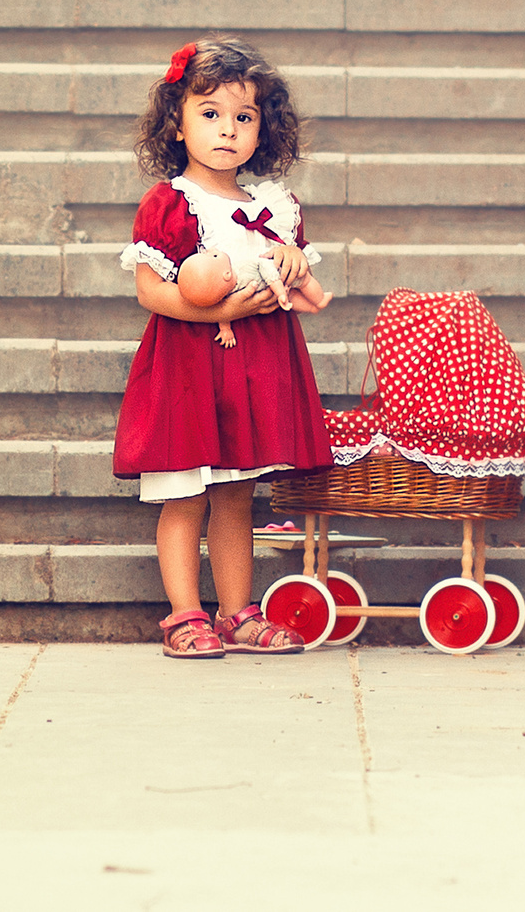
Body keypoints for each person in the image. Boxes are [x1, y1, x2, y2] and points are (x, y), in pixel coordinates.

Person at [114, 36, 332, 658]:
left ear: (263, 129)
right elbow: (151, 292)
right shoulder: (172, 203)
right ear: (177, 124)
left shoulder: (275, 208)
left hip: (252, 368)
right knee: (184, 493)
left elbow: (309, 293)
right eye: (209, 114)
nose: (228, 130)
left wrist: (291, 263)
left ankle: (238, 611)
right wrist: (224, 305)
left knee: (237, 494)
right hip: (187, 366)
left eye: (244, 117)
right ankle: (185, 615)